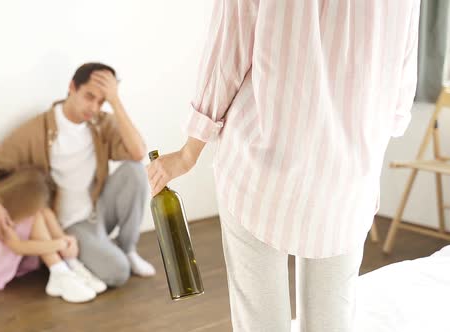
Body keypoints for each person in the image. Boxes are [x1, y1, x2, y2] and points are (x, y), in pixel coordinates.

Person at [147, 1, 420, 331]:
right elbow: (402, 64)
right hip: (350, 169)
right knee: (331, 315)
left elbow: (227, 48)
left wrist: (190, 152)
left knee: (260, 319)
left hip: (262, 160)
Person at [0, 63, 155, 296]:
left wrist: (115, 101)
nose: (94, 107)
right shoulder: (36, 131)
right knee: (118, 273)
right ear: (72, 87)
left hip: (99, 210)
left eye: (101, 101)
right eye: (89, 97)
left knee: (134, 170)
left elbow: (137, 152)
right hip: (69, 225)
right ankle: (97, 254)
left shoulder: (100, 122)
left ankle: (127, 249)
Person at [0, 168, 103, 303]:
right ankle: (59, 271)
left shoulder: (9, 202)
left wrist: (65, 240)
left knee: (42, 212)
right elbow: (18, 247)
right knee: (35, 218)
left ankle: (70, 264)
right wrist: (60, 244)